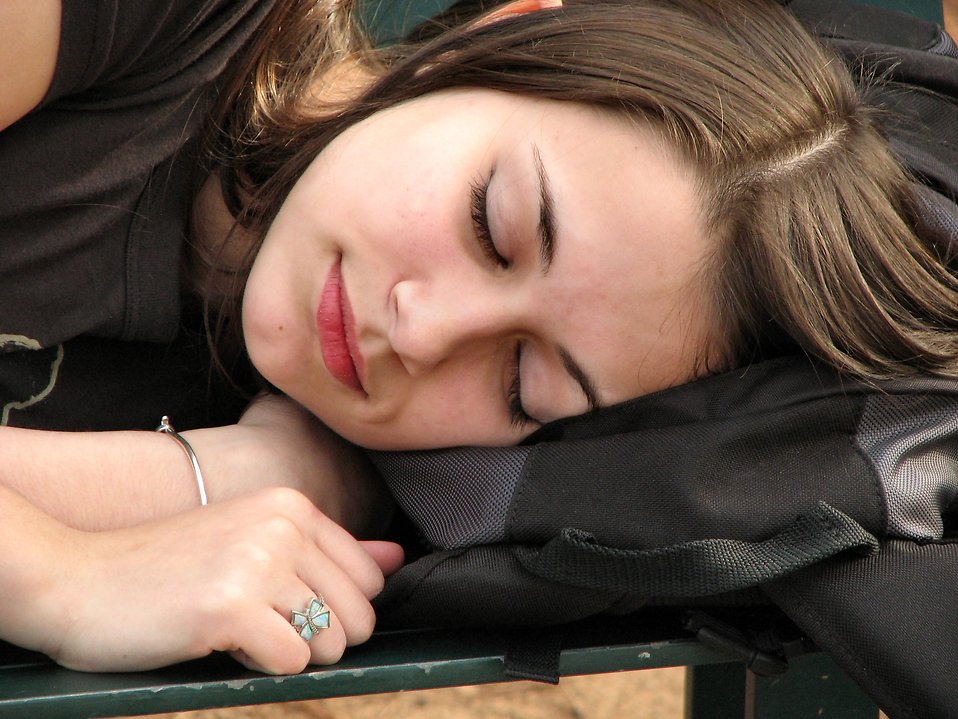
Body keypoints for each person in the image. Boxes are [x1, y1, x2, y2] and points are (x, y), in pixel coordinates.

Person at [0, 0, 955, 676]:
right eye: (489, 223)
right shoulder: (165, 21)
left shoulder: (337, 449)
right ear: (505, 32)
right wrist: (57, 573)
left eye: (521, 384)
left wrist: (275, 474)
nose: (421, 331)